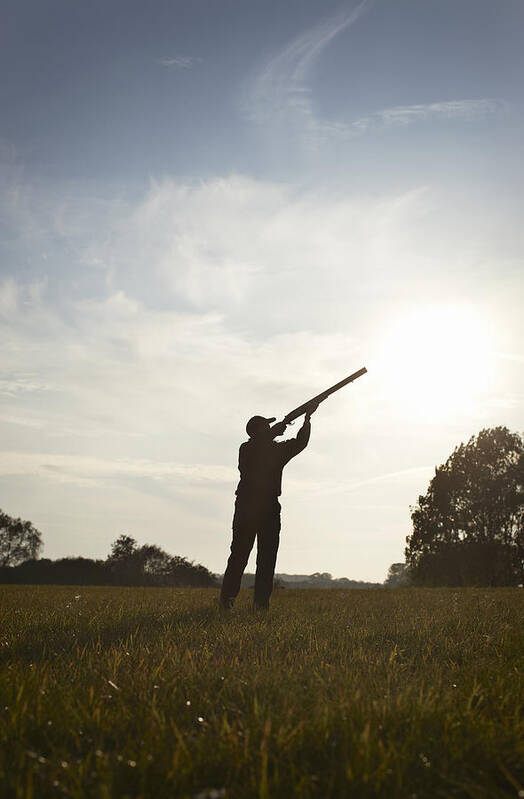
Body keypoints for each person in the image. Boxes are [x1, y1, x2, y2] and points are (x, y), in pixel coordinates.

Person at [220, 406, 317, 611]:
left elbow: (300, 443)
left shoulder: (265, 449)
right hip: (256, 506)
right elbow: (295, 444)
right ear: (260, 431)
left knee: (262, 557)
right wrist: (287, 427)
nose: (273, 428)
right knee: (243, 555)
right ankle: (233, 600)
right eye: (267, 426)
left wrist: (306, 420)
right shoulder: (250, 449)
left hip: (254, 506)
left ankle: (257, 603)